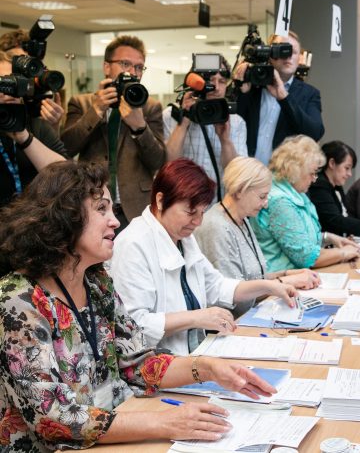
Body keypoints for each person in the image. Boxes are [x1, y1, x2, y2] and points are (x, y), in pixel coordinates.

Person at [0, 161, 276, 452]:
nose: (115, 221)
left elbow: (137, 364)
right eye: (101, 209)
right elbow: (53, 416)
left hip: (115, 436)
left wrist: (207, 368)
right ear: (64, 217)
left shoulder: (97, 284)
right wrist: (164, 423)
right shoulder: (18, 300)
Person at [110, 158, 297, 356]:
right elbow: (134, 324)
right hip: (155, 366)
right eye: (191, 212)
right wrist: (196, 317)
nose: (198, 222)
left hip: (192, 356)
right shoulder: (133, 244)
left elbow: (216, 286)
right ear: (160, 200)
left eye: (202, 212)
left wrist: (270, 286)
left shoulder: (182, 237)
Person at [195, 156, 321, 317]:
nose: (266, 203)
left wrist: (287, 274)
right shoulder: (216, 227)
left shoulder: (242, 220)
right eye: (262, 197)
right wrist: (286, 282)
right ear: (240, 190)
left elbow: (253, 277)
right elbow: (233, 298)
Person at [61, 35, 166, 228]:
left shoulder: (150, 107)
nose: (132, 72)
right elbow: (66, 148)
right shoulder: (82, 103)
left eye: (139, 67)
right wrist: (96, 111)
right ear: (106, 67)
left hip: (136, 208)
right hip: (91, 203)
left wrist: (140, 127)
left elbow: (158, 161)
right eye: (125, 64)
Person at [250, 135, 360, 272]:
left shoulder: (296, 192)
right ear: (295, 170)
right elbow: (305, 257)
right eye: (312, 173)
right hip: (283, 280)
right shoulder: (280, 201)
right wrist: (343, 253)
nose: (314, 179)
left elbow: (297, 237)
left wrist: (328, 238)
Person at [235, 30, 324, 164]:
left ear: (299, 58)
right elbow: (234, 127)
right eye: (282, 50)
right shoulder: (253, 87)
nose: (287, 56)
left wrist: (284, 98)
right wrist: (242, 91)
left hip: (283, 177)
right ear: (269, 55)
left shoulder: (309, 94)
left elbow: (315, 133)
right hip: (249, 174)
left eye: (293, 52)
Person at [163, 55, 247, 190]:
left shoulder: (236, 121)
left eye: (222, 81)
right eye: (210, 80)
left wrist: (225, 140)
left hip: (219, 204)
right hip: (183, 201)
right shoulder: (171, 115)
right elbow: (168, 164)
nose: (216, 88)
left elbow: (238, 173)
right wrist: (184, 121)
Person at [0, 51, 67, 207]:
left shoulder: (35, 125)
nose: (10, 87)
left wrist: (24, 137)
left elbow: (67, 178)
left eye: (14, 79)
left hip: (33, 222)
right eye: (3, 81)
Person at [308, 140, 360, 239]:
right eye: (346, 168)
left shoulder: (336, 186)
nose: (349, 174)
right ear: (332, 163)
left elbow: (345, 216)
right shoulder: (319, 187)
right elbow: (335, 220)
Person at [0, 29, 64, 131]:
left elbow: (52, 146)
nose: (28, 73)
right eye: (21, 62)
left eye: (32, 65)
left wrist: (53, 125)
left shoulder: (38, 99)